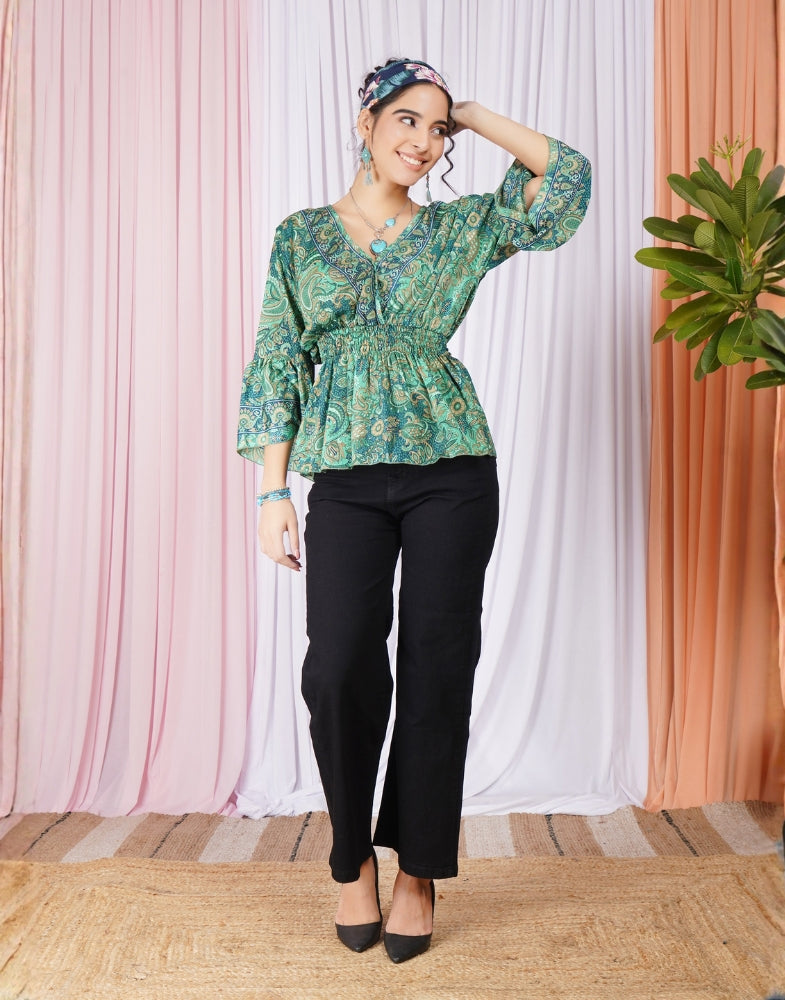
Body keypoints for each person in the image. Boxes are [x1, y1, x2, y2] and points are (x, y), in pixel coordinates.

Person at [238, 57, 591, 962]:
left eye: (436, 131)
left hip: (452, 471)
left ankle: (418, 871)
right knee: (339, 665)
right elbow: (277, 361)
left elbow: (566, 180)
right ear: (365, 123)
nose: (424, 143)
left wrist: (470, 111)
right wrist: (273, 491)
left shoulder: (457, 228)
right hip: (345, 479)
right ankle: (351, 855)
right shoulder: (301, 237)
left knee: (439, 667)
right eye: (406, 120)